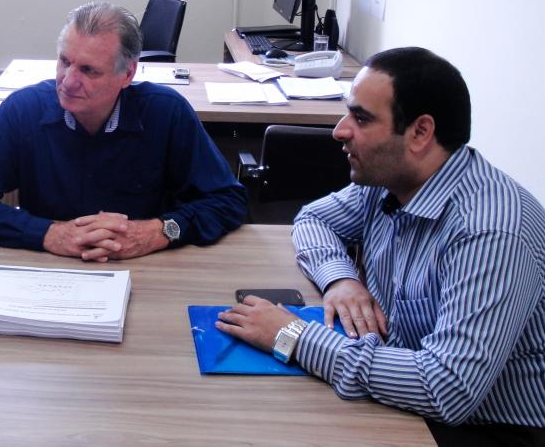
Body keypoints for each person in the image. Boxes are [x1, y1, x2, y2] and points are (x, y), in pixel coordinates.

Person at [216, 47, 544, 445]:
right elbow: (313, 220)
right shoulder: (391, 181)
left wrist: (294, 337)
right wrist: (341, 280)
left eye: (361, 118)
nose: (340, 130)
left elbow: (448, 389)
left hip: (486, 428)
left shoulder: (489, 232)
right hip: (405, 386)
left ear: (420, 133)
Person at [0, 1, 246, 261]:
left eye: (88, 70)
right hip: (49, 267)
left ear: (127, 74)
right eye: (64, 62)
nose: (68, 81)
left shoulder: (165, 113)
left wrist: (160, 231)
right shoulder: (24, 111)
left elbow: (228, 200)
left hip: (146, 268)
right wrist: (48, 233)